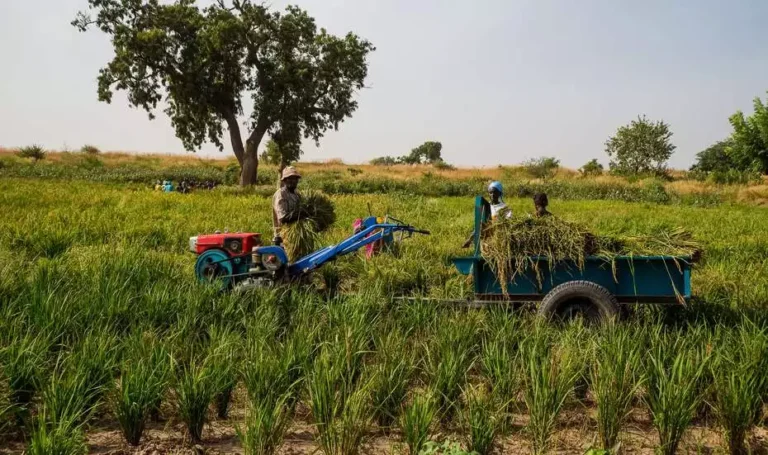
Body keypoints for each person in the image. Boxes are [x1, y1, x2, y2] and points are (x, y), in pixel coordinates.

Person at [462, 181, 511, 248]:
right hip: (487, 232)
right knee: (480, 225)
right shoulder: (487, 206)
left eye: (495, 192)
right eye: (491, 192)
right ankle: (469, 240)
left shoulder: (504, 208)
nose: (492, 195)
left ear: (500, 193)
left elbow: (507, 222)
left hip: (499, 232)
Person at [272, 166, 302, 246]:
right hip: (283, 237)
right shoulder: (281, 194)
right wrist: (301, 214)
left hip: (296, 236)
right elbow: (283, 218)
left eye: (295, 178)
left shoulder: (297, 195)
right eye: (290, 178)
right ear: (285, 180)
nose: (293, 181)